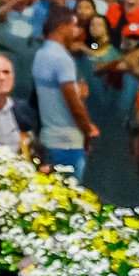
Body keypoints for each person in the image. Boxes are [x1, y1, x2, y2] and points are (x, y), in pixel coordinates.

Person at [33, 9, 97, 178]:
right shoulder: (62, 58)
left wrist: (78, 93)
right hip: (67, 142)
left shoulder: (41, 53)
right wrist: (87, 133)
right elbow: (73, 104)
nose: (77, 31)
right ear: (62, 27)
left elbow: (58, 95)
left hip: (49, 138)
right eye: (74, 26)